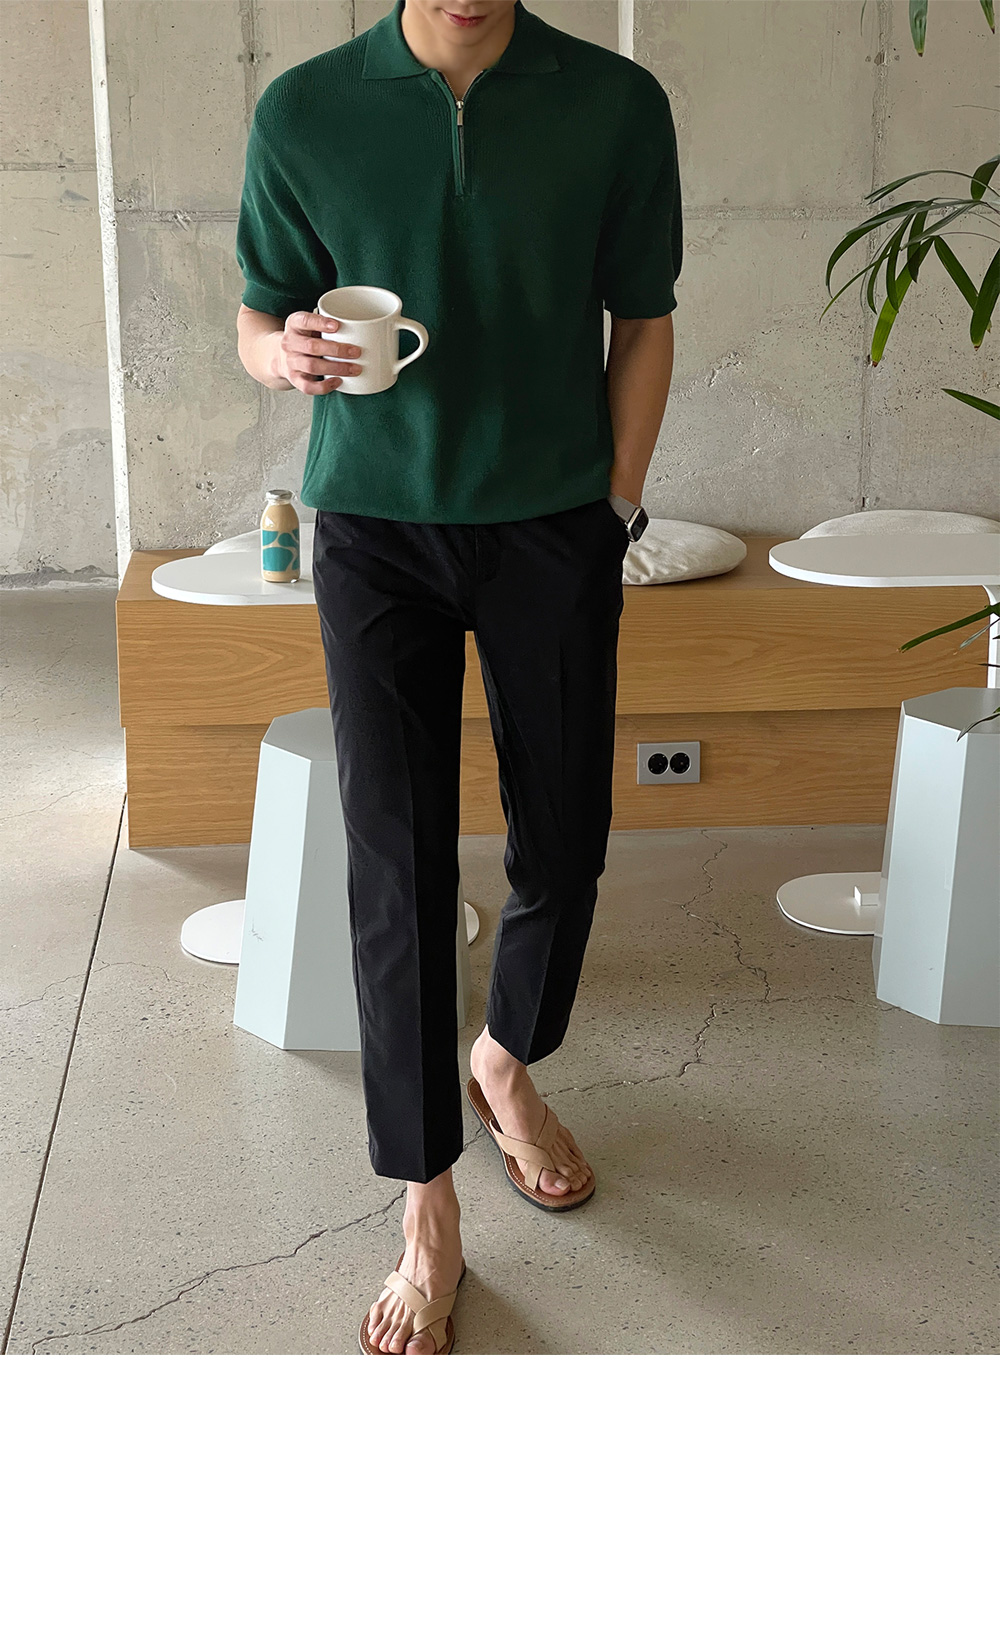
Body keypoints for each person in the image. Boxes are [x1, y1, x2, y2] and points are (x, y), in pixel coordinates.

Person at [235, 0, 682, 1353]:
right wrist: (285, 353)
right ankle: (425, 1198)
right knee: (398, 861)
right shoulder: (305, 110)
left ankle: (504, 1059)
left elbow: (643, 319)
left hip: (553, 525)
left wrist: (613, 504)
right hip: (375, 531)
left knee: (567, 834)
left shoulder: (613, 103)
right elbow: (258, 318)